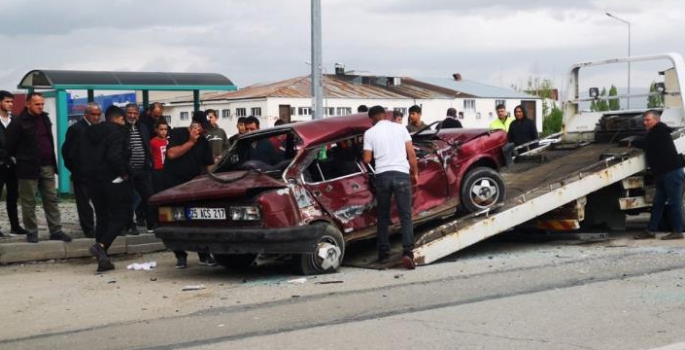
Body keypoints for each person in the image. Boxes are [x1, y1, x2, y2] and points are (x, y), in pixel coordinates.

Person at [6, 92, 71, 243]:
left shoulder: (45, 118)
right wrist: (19, 160)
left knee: (51, 199)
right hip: (27, 168)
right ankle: (32, 232)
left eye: (42, 104)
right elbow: (10, 145)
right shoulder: (18, 121)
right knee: (29, 202)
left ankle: (56, 230)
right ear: (28, 104)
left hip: (47, 165)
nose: (40, 107)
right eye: (37, 104)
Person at [362, 105, 419, 270]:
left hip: (382, 176)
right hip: (401, 173)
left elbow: (366, 159)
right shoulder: (400, 128)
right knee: (405, 215)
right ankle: (408, 253)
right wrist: (414, 173)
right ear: (384, 115)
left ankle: (383, 255)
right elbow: (411, 153)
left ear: (372, 118)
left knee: (383, 216)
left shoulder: (369, 133)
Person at [163, 111, 217, 268]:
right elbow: (171, 154)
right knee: (175, 220)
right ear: (195, 125)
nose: (204, 131)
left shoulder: (204, 142)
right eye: (202, 127)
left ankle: (204, 254)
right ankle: (180, 255)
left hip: (194, 185)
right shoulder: (178, 133)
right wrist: (191, 142)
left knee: (198, 220)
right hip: (174, 183)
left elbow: (209, 165)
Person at [81, 106, 131, 272]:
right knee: (121, 217)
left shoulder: (89, 132)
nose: (124, 122)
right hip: (112, 179)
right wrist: (124, 173)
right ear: (116, 119)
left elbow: (76, 153)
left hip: (92, 180)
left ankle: (103, 259)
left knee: (102, 217)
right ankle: (101, 246)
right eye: (123, 119)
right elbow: (114, 156)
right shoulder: (117, 133)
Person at [631, 110, 685, 240]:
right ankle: (650, 230)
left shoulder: (659, 130)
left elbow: (646, 144)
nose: (645, 123)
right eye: (644, 120)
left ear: (656, 120)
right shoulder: (656, 131)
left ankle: (678, 231)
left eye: (648, 120)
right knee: (658, 203)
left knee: (674, 203)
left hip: (671, 173)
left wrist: (631, 142)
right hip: (662, 174)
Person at [62, 102, 101, 238]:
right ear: (86, 114)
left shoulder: (100, 128)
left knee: (100, 200)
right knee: (84, 202)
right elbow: (67, 152)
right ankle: (88, 228)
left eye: (98, 115)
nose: (96, 117)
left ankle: (100, 226)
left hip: (98, 173)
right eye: (93, 114)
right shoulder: (76, 129)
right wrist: (76, 169)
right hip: (82, 173)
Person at [0, 91, 29, 237]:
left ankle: (15, 226)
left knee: (13, 196)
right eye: (7, 101)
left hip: (13, 164)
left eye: (11, 101)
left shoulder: (15, 120)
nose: (10, 104)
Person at [124, 103, 156, 234]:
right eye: (130, 113)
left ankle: (151, 224)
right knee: (129, 198)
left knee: (149, 196)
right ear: (125, 114)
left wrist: (149, 162)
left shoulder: (142, 127)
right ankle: (130, 225)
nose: (132, 116)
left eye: (135, 113)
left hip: (143, 168)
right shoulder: (121, 128)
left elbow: (146, 145)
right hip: (128, 170)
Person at [150, 118, 169, 193]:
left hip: (168, 169)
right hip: (157, 170)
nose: (164, 131)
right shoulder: (152, 142)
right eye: (161, 129)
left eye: (165, 129)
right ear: (156, 130)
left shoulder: (169, 141)